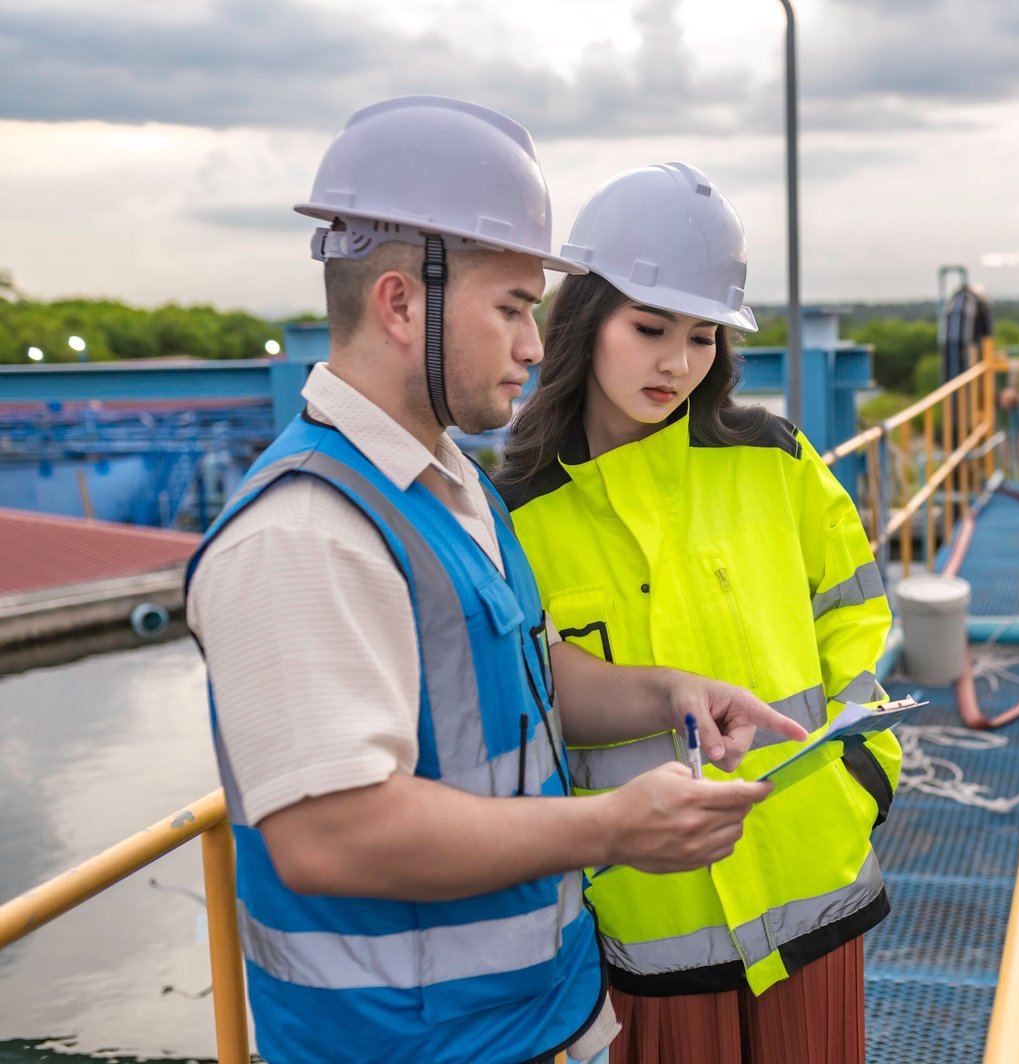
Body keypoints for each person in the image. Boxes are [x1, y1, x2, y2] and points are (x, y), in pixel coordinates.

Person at [185, 99, 805, 1064]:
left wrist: (668, 692)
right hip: (405, 1046)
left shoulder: (454, 486)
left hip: (528, 1021)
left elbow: (523, 675)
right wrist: (611, 828)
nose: (531, 343)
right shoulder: (306, 532)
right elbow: (332, 837)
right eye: (513, 307)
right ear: (401, 302)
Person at [494, 163, 899, 1064]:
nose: (677, 363)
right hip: (649, 910)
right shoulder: (516, 514)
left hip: (811, 873)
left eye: (703, 337)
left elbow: (856, 615)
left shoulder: (772, 458)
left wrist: (862, 776)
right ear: (585, 319)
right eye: (649, 328)